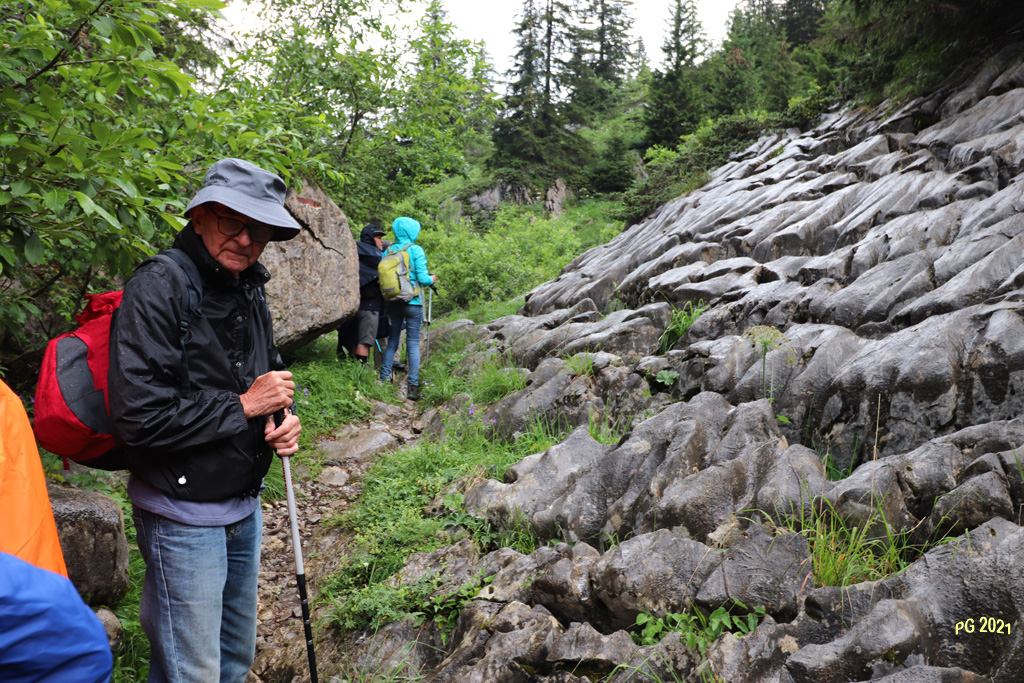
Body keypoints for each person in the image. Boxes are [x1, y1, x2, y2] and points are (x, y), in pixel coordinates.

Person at [108, 158, 302, 683]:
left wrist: (283, 416)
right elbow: (139, 418)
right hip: (180, 512)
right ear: (199, 216)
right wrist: (244, 406)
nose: (245, 239)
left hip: (242, 504)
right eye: (231, 222)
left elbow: (266, 372)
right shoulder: (159, 285)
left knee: (234, 662)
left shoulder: (247, 285)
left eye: (258, 230)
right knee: (193, 672)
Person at [378, 216, 436, 401]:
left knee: (392, 341)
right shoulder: (415, 249)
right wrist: (433, 278)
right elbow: (424, 279)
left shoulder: (388, 249)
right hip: (413, 303)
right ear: (413, 231)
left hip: (393, 302)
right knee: (412, 344)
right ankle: (412, 387)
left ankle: (383, 380)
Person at [338, 224, 386, 363]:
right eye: (378, 237)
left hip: (351, 306)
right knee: (365, 342)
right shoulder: (378, 258)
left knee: (352, 340)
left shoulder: (353, 251)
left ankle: (349, 372)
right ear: (371, 239)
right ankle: (359, 374)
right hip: (370, 307)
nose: (381, 240)